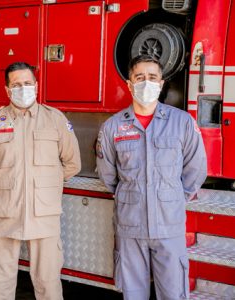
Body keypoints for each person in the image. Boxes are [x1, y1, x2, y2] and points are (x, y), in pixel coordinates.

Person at [96, 55, 207, 300]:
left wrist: (172, 197)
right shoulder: (113, 127)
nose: (146, 82)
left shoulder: (182, 123)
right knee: (134, 294)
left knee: (173, 294)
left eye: (152, 77)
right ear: (129, 84)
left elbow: (195, 169)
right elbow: (107, 175)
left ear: (161, 82)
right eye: (140, 77)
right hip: (130, 226)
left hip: (170, 226)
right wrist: (131, 196)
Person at [0, 62, 81, 300]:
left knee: (47, 283)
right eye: (16, 85)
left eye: (27, 83)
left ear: (37, 85)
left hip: (44, 214)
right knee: (0, 281)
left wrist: (43, 184)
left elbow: (73, 163)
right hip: (4, 213)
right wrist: (7, 184)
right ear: (7, 90)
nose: (23, 88)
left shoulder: (56, 120)